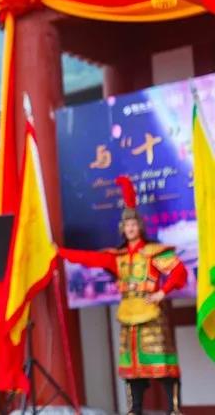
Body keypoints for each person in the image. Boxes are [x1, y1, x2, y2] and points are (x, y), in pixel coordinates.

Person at [58, 176, 186, 415]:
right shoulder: (117, 257)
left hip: (150, 313)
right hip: (128, 315)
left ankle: (174, 409)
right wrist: (60, 253)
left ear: (140, 227)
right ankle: (134, 410)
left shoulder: (153, 252)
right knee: (131, 368)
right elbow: (91, 258)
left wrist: (162, 292)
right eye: (127, 225)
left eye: (134, 224)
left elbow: (179, 271)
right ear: (123, 229)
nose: (130, 228)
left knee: (163, 364)